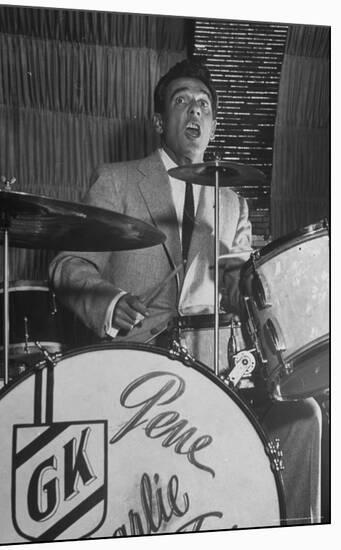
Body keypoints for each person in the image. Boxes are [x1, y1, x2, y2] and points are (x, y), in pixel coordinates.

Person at [49, 59, 322, 526]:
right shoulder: (117, 179)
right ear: (160, 121)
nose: (194, 110)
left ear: (212, 125)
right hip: (133, 368)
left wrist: (255, 288)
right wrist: (110, 302)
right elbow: (67, 264)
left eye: (204, 104)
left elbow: (239, 284)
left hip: (216, 372)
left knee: (304, 418)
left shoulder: (233, 201)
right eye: (181, 101)